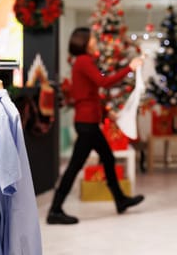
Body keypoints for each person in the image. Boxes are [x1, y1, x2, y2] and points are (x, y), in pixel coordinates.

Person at [47, 27, 145, 225]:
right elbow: (103, 82)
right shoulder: (83, 61)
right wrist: (130, 68)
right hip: (87, 124)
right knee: (75, 166)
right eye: (92, 39)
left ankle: (120, 200)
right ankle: (55, 210)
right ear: (84, 42)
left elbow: (89, 94)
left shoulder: (82, 62)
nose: (95, 42)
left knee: (107, 158)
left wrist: (107, 112)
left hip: (88, 122)